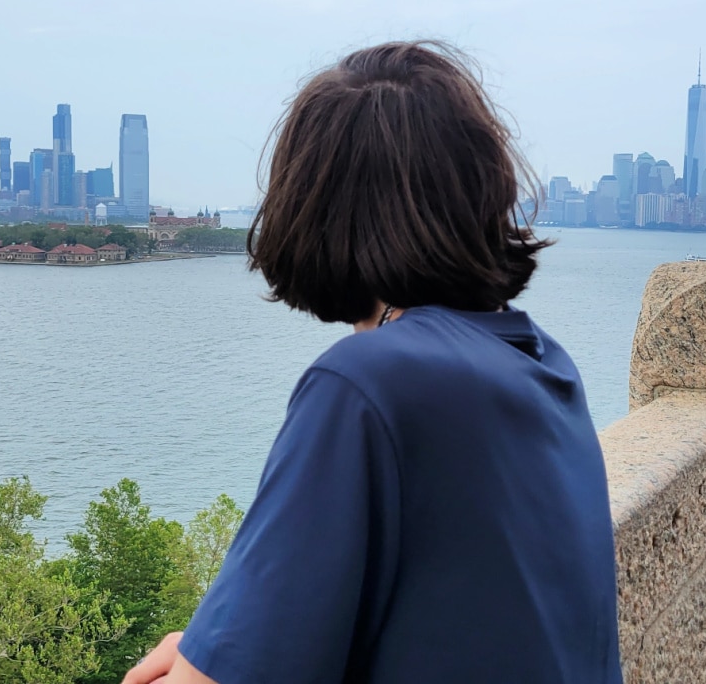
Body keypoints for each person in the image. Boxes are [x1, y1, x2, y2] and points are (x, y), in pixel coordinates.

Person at [122, 41, 622, 684]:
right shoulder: (543, 363)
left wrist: (200, 661)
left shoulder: (367, 385)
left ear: (317, 207)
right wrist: (219, 643)